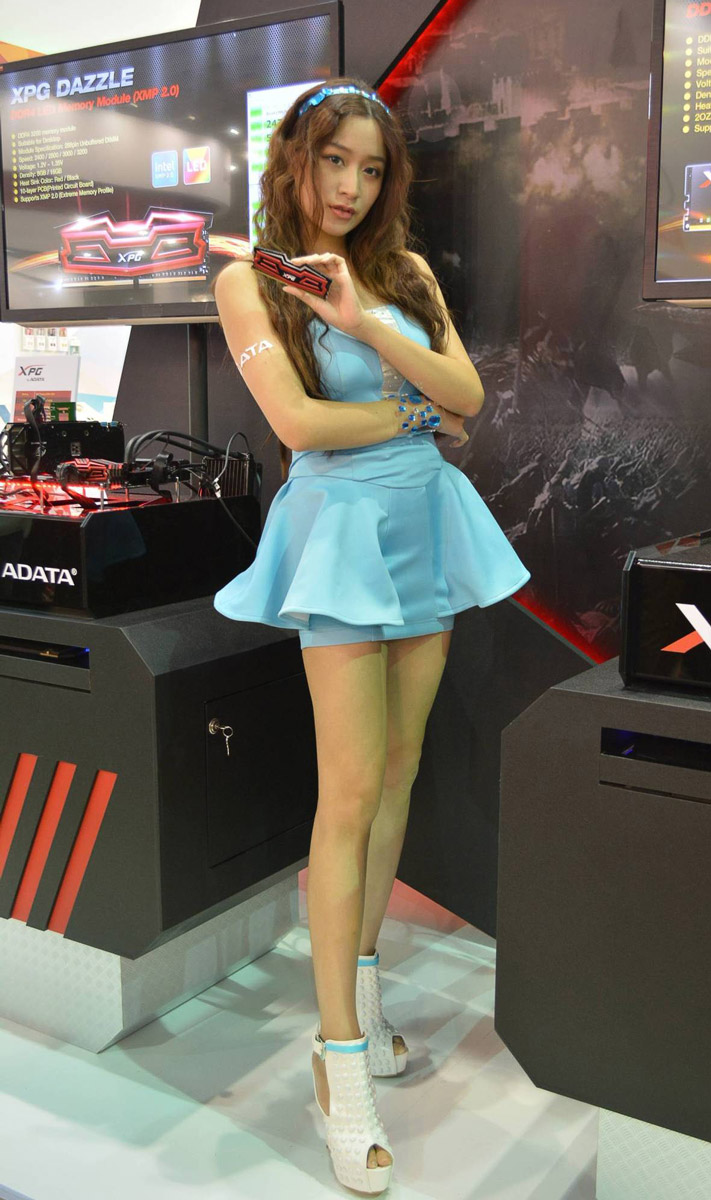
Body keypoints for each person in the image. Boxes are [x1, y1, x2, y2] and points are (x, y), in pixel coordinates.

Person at [212, 77, 530, 1195]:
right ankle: (337, 1066)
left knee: (396, 776)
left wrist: (364, 320)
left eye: (370, 166)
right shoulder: (250, 281)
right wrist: (408, 409)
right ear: (293, 162)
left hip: (423, 525)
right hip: (341, 531)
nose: (349, 185)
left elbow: (469, 397)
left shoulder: (404, 276)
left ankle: (361, 987)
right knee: (345, 794)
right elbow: (300, 423)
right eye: (331, 160)